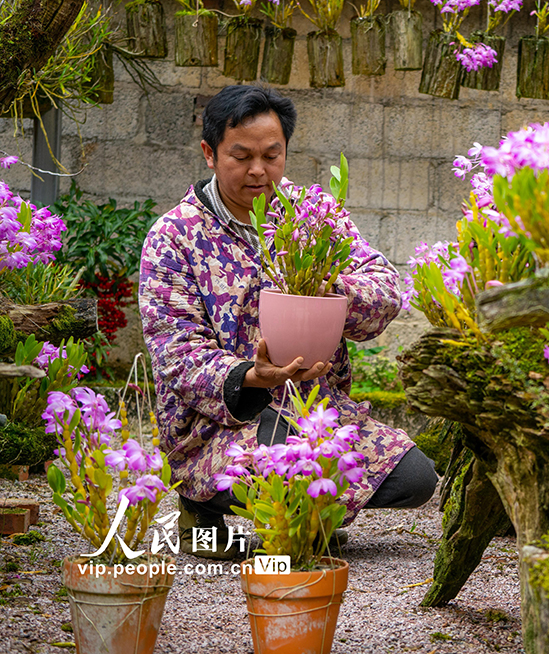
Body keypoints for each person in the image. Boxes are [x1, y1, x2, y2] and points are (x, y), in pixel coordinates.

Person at [138, 84, 438, 559]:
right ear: (209, 154)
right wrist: (250, 376)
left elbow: (384, 287)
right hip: (221, 424)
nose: (258, 170)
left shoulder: (310, 214)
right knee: (280, 459)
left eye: (272, 155)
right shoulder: (175, 236)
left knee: (417, 479)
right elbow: (176, 354)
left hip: (315, 411)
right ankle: (206, 509)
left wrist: (333, 292)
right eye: (241, 156)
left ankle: (312, 511)